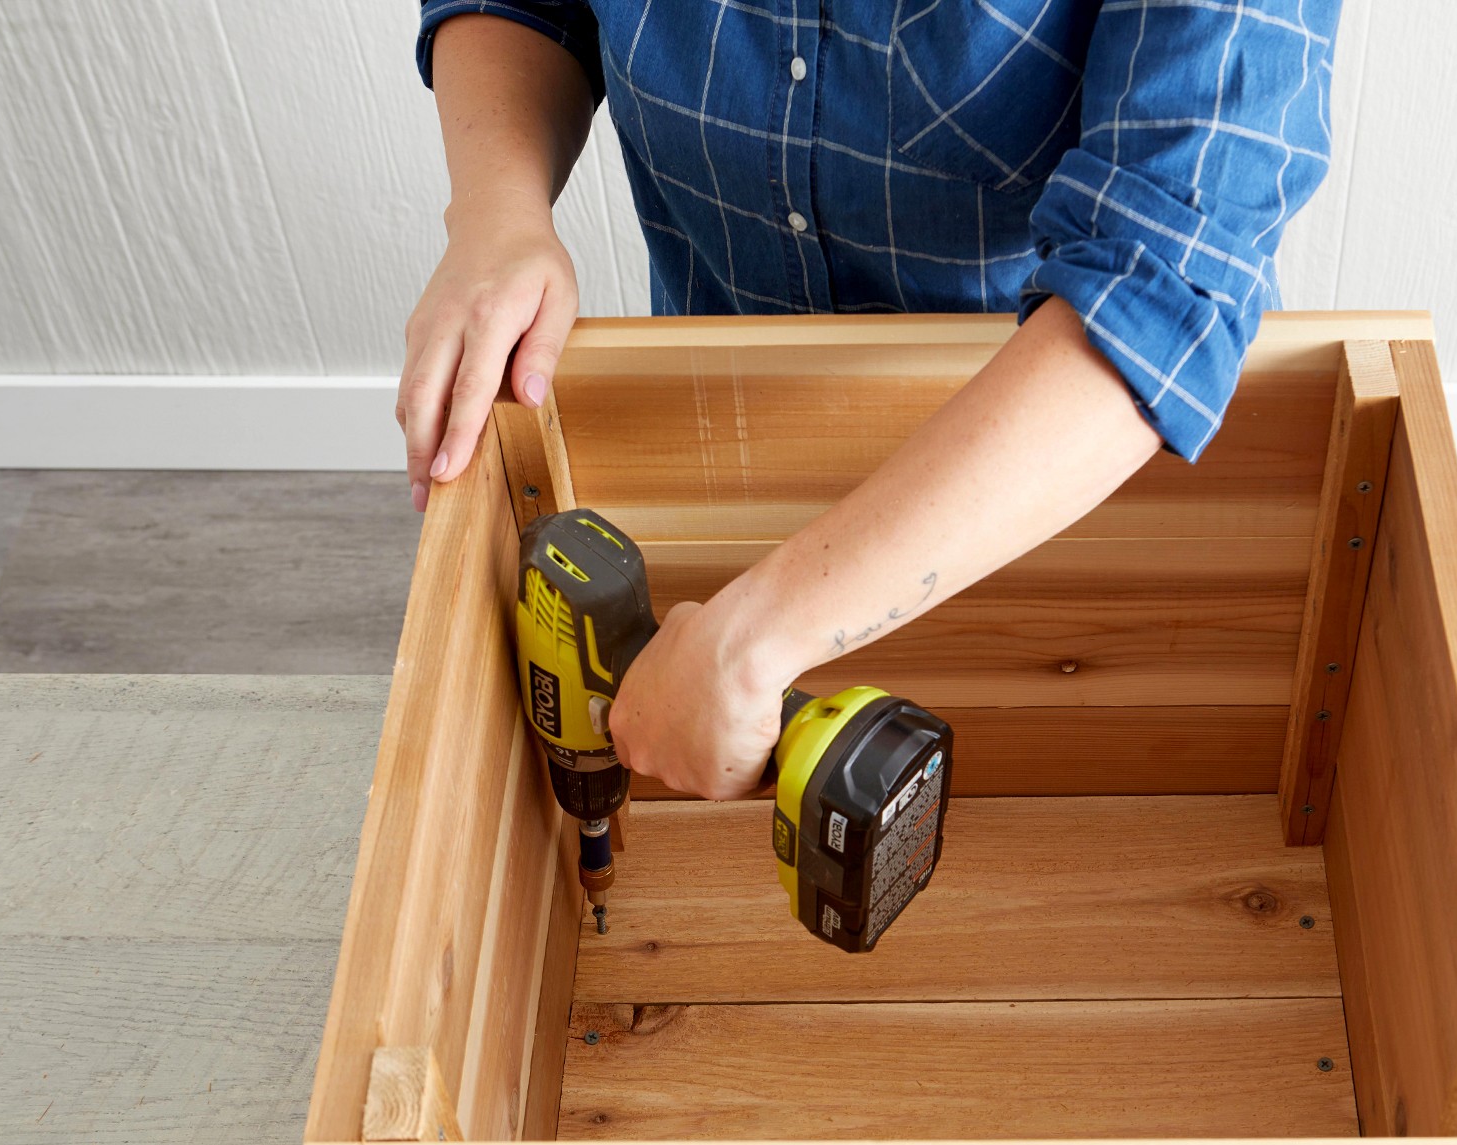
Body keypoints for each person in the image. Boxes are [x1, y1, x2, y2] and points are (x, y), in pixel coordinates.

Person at [401, 1, 1339, 800]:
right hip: (717, 425)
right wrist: (497, 211)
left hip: (1045, 470)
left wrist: (753, 646)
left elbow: (1162, 279)